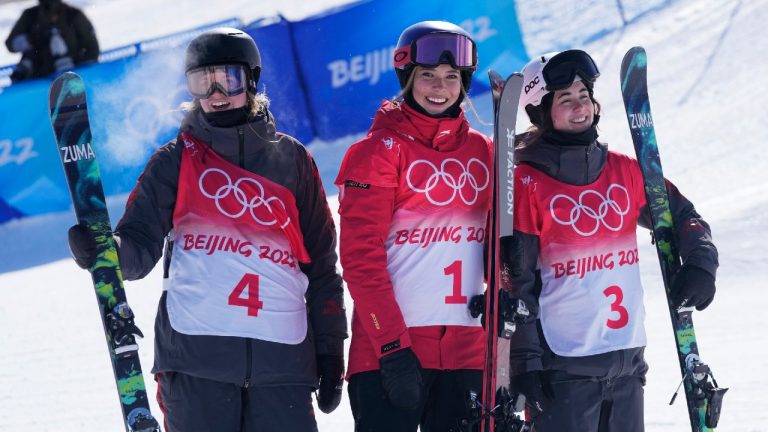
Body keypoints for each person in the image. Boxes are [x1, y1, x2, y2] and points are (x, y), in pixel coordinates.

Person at [67, 28, 347, 431]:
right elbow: (138, 248)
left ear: (251, 80)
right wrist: (104, 250)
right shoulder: (175, 162)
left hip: (282, 364)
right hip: (196, 364)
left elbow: (321, 266)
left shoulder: (292, 160)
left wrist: (330, 346)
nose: (215, 92)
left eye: (227, 79)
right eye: (202, 81)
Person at [507, 49, 719, 431]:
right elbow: (514, 280)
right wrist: (524, 363)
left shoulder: (624, 170)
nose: (580, 107)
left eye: (584, 95)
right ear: (541, 113)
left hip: (626, 365)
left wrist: (701, 263)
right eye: (566, 99)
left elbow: (686, 216)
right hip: (561, 371)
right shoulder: (525, 183)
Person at [335, 21, 492, 432]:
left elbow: (504, 243)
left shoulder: (485, 152)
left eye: (451, 77)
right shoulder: (376, 152)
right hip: (390, 354)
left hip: (468, 354)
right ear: (407, 77)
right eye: (427, 76)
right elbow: (360, 259)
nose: (439, 86)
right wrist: (390, 347)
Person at [4, 0, 99, 82]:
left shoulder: (73, 15)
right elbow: (10, 44)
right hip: (34, 80)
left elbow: (92, 49)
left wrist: (80, 72)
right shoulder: (30, 16)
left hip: (70, 79)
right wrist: (29, 41)